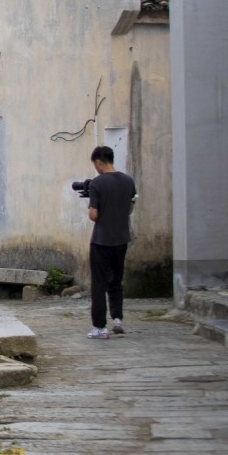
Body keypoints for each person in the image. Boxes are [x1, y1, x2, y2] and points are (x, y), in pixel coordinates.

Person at [86, 145, 136, 340]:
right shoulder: (128, 181)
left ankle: (99, 327)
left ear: (99, 162)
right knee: (116, 281)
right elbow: (130, 208)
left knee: (99, 284)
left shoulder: (97, 184)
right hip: (121, 239)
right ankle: (117, 319)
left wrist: (93, 206)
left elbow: (93, 214)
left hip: (101, 241)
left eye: (95, 165)